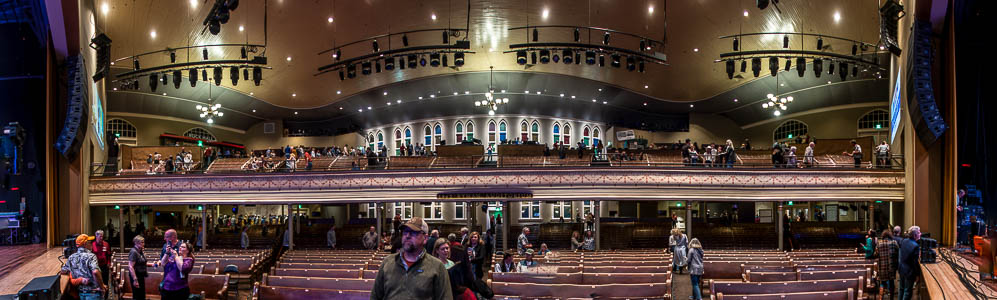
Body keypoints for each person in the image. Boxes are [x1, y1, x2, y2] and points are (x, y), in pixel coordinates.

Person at [371, 217, 452, 300]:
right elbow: (375, 297)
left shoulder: (437, 266)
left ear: (425, 238)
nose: (407, 236)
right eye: (405, 232)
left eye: (413, 233)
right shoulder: (388, 262)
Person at [61, 234, 105, 300]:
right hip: (93, 293)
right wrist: (102, 288)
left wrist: (76, 278)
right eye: (89, 242)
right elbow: (95, 272)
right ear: (85, 244)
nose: (91, 244)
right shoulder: (91, 256)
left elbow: (63, 270)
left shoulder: (71, 257)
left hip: (81, 294)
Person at [897, 226, 921, 300]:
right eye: (919, 232)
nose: (920, 234)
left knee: (901, 289)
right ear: (914, 235)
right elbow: (915, 263)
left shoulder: (904, 241)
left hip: (901, 269)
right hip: (909, 271)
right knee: (907, 292)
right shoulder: (915, 246)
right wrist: (917, 274)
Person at [875, 230, 900, 300]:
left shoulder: (879, 244)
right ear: (890, 235)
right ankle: (891, 298)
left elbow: (875, 254)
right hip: (891, 267)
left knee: (882, 283)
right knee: (891, 283)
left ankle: (881, 298)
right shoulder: (894, 243)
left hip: (882, 267)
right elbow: (898, 253)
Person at [129, 235, 153, 300]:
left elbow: (142, 263)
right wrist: (135, 280)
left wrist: (153, 264)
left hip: (141, 276)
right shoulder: (134, 252)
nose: (143, 244)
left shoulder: (140, 251)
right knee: (137, 296)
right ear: (136, 243)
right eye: (142, 242)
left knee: (142, 295)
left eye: (143, 242)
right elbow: (131, 266)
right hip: (136, 276)